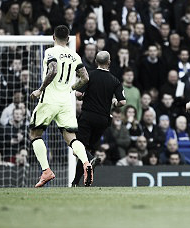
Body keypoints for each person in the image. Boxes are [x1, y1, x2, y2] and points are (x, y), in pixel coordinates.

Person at [29, 25, 91, 187]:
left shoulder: (51, 52)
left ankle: (46, 171)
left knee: (35, 134)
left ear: (53, 37)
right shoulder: (74, 55)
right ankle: (85, 162)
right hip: (65, 102)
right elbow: (85, 78)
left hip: (49, 99)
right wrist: (71, 88)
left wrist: (40, 89)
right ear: (69, 39)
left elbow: (54, 70)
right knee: (71, 138)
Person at [71, 51, 126, 187]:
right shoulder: (115, 80)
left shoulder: (89, 76)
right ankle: (75, 183)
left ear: (96, 62)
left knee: (78, 149)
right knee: (86, 149)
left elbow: (78, 94)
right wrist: (114, 103)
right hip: (103, 120)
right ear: (109, 62)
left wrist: (82, 97)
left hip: (88, 116)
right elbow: (122, 102)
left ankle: (90, 161)